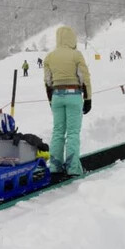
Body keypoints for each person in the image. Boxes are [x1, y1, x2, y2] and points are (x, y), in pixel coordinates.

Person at [43, 26, 91, 177]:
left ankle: (55, 167)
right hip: (74, 95)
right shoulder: (76, 55)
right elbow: (85, 77)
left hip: (56, 96)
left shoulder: (49, 57)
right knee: (72, 133)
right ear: (72, 38)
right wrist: (88, 98)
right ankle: (72, 168)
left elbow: (47, 81)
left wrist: (51, 100)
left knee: (57, 132)